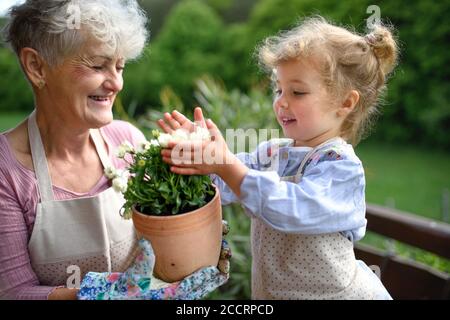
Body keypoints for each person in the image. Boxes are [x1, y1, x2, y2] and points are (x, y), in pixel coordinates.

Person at [0, 0, 228, 300]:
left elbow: (167, 237)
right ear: (37, 66)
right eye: (97, 65)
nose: (116, 83)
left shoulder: (127, 140)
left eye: (119, 67)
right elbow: (13, 292)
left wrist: (196, 173)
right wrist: (102, 295)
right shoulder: (7, 169)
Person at [160, 16, 398, 299]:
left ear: (345, 102)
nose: (282, 101)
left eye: (297, 92)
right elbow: (227, 184)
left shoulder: (341, 168)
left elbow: (292, 209)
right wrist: (202, 156)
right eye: (278, 89)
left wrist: (228, 166)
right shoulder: (273, 153)